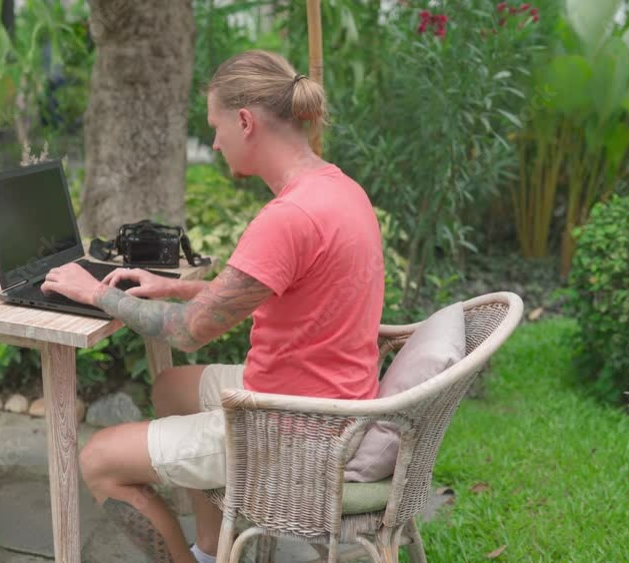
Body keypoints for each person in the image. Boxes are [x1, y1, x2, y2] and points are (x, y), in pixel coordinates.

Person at [41, 50, 385, 563]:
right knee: (171, 387)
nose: (215, 141)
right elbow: (269, 291)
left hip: (290, 430)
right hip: (334, 403)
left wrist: (94, 292)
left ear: (245, 121)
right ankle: (209, 551)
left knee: (96, 460)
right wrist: (172, 286)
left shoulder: (288, 217)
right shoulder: (339, 189)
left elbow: (185, 334)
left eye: (216, 127)